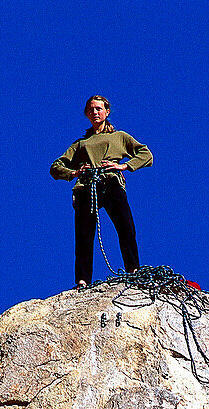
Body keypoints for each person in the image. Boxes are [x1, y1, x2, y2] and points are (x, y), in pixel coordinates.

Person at [50, 95, 153, 287]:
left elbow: (146, 154)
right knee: (83, 235)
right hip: (86, 187)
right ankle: (82, 281)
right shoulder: (80, 144)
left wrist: (124, 166)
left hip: (111, 182)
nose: (95, 112)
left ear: (107, 112)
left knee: (126, 227)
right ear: (87, 114)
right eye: (91, 109)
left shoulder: (119, 137)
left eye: (98, 108)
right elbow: (56, 166)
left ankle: (133, 270)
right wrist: (73, 173)